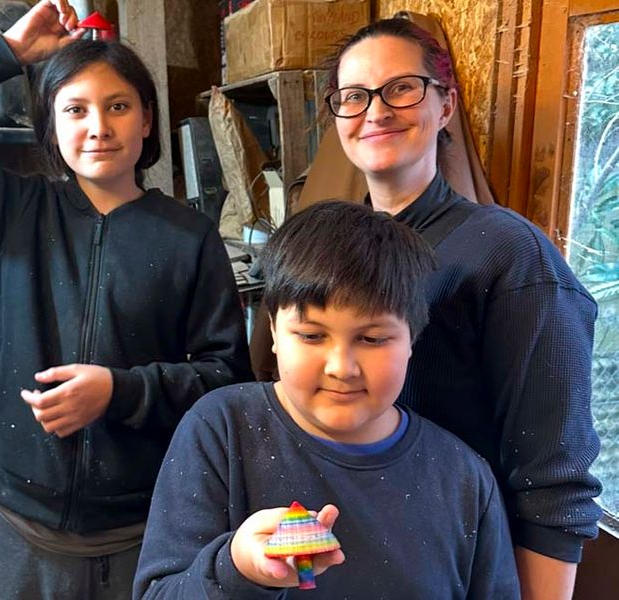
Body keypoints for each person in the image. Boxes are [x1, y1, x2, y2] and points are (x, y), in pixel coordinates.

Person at [0, 1, 252, 598]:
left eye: (118, 106)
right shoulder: (9, 212)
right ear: (50, 126)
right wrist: (8, 52)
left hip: (144, 530)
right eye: (75, 110)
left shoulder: (189, 237)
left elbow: (225, 378)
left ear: (147, 120)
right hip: (16, 531)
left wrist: (119, 391)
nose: (98, 126)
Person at [317, 17, 600, 599]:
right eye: (353, 96)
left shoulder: (507, 254)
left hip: (462, 566)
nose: (375, 110)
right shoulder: (335, 249)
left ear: (445, 105)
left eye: (401, 88)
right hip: (351, 554)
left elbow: (552, 478)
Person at [133, 201, 520, 599]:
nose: (341, 367)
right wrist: (237, 568)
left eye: (372, 339)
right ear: (273, 331)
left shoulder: (465, 481)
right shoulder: (221, 429)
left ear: (412, 340)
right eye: (312, 335)